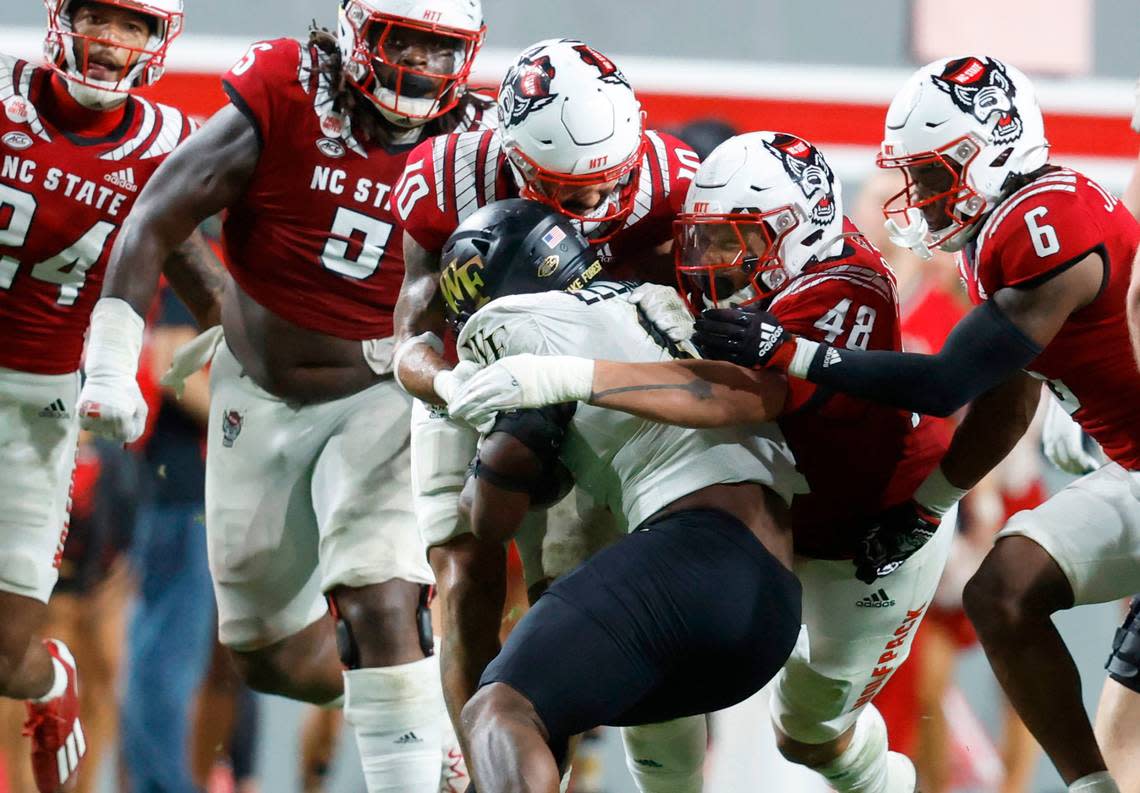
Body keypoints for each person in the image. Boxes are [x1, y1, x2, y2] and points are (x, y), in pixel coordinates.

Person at [682, 56, 1140, 793]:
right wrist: (931, 501)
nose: (922, 198)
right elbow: (1008, 394)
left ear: (994, 147)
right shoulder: (1009, 225)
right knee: (1004, 593)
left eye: (932, 176)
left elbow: (946, 383)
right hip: (1130, 469)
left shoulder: (1045, 225)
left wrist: (790, 350)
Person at [446, 132, 954, 793]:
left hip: (876, 532)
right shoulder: (661, 298)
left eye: (730, 240)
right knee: (645, 720)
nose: (707, 260)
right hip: (769, 569)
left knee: (808, 731)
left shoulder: (842, 287)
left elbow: (735, 393)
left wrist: (536, 382)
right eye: (701, 237)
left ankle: (881, 782)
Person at [75, 1, 493, 790]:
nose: (420, 66)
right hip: (256, 393)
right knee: (268, 658)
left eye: (440, 49)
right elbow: (157, 215)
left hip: (382, 393)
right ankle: (419, 696)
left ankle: (417, 738)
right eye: (403, 40)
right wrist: (111, 363)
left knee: (379, 597)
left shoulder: (476, 143)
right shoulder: (284, 91)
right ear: (356, 31)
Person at [388, 36, 699, 750]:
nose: (593, 201)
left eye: (608, 180)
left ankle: (552, 750)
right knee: (464, 565)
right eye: (566, 188)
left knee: (576, 589)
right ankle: (478, 765)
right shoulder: (449, 174)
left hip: (594, 375)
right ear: (513, 156)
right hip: (477, 367)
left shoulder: (673, 181)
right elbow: (408, 334)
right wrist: (449, 383)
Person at [439, 198, 804, 793]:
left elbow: (492, 517)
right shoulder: (648, 297)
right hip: (771, 609)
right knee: (545, 711)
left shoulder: (522, 329)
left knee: (496, 711)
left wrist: (482, 461)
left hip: (698, 557)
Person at [0, 1, 221, 788]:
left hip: (42, 404)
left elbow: (205, 277)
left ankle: (49, 680)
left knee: (10, 650)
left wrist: (273, 361)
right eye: (100, 14)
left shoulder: (169, 143)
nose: (112, 39)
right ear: (61, 17)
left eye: (134, 25)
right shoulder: (5, 96)